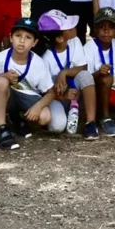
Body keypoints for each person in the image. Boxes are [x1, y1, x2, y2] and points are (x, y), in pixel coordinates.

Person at [0, 17, 58, 150]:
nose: (22, 41)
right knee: (1, 81)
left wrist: (38, 107)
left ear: (34, 42)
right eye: (18, 36)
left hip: (26, 97)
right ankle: (2, 129)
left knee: (45, 117)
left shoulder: (39, 63)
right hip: (5, 96)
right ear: (11, 38)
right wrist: (2, 76)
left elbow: (51, 93)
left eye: (28, 37)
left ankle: (17, 118)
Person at [38, 9, 99, 140]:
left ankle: (90, 123)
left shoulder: (74, 41)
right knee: (58, 126)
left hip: (74, 91)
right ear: (60, 38)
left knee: (85, 76)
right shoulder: (45, 60)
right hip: (56, 97)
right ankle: (62, 114)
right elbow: (45, 92)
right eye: (69, 27)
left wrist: (64, 72)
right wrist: (63, 96)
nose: (74, 27)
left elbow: (83, 67)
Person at [83, 8, 115, 137]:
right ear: (95, 28)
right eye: (102, 27)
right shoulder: (89, 47)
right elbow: (86, 79)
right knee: (106, 78)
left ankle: (105, 109)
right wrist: (98, 73)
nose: (106, 31)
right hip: (96, 89)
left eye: (111, 27)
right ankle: (105, 118)